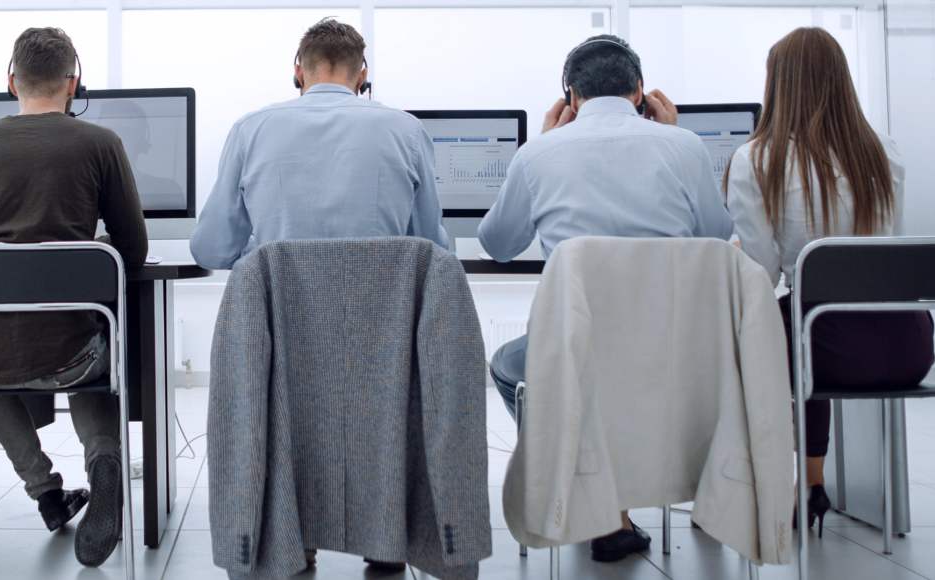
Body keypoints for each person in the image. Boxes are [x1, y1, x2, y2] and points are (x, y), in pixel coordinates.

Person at [478, 34, 733, 562]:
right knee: (625, 369)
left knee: (510, 366)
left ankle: (589, 496)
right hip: (672, 353)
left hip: (576, 352)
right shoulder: (683, 147)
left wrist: (541, 144)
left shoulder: (539, 152)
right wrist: (675, 138)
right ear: (640, 91)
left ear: (569, 97)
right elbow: (716, 232)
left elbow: (498, 245)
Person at [0, 27, 148, 568]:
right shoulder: (101, 144)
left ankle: (46, 492)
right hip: (74, 350)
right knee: (88, 338)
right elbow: (134, 249)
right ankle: (103, 460)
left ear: (11, 81)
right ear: (75, 84)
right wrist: (86, 254)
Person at [726, 27, 934, 535]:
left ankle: (745, 487)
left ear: (780, 85)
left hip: (819, 348)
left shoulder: (757, 159)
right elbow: (889, 247)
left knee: (760, 329)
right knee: (811, 321)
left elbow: (762, 272)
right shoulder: (884, 153)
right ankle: (813, 483)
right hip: (906, 345)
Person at [189, 18, 448, 270]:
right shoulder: (407, 130)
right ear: (362, 76)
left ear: (298, 73)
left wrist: (265, 254)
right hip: (382, 310)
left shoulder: (250, 130)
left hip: (280, 313)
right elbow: (434, 251)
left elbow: (211, 250)